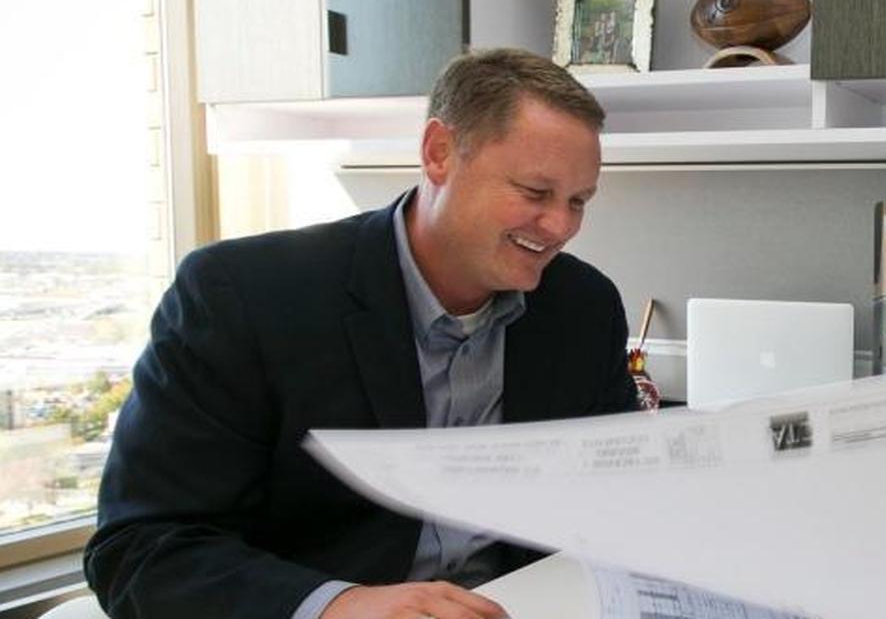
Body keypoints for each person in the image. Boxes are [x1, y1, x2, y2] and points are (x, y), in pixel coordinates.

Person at [84, 48, 639, 619]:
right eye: (534, 192)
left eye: (578, 201)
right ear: (439, 153)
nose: (561, 227)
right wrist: (336, 606)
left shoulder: (582, 306)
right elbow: (141, 546)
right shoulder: (241, 296)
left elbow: (618, 494)